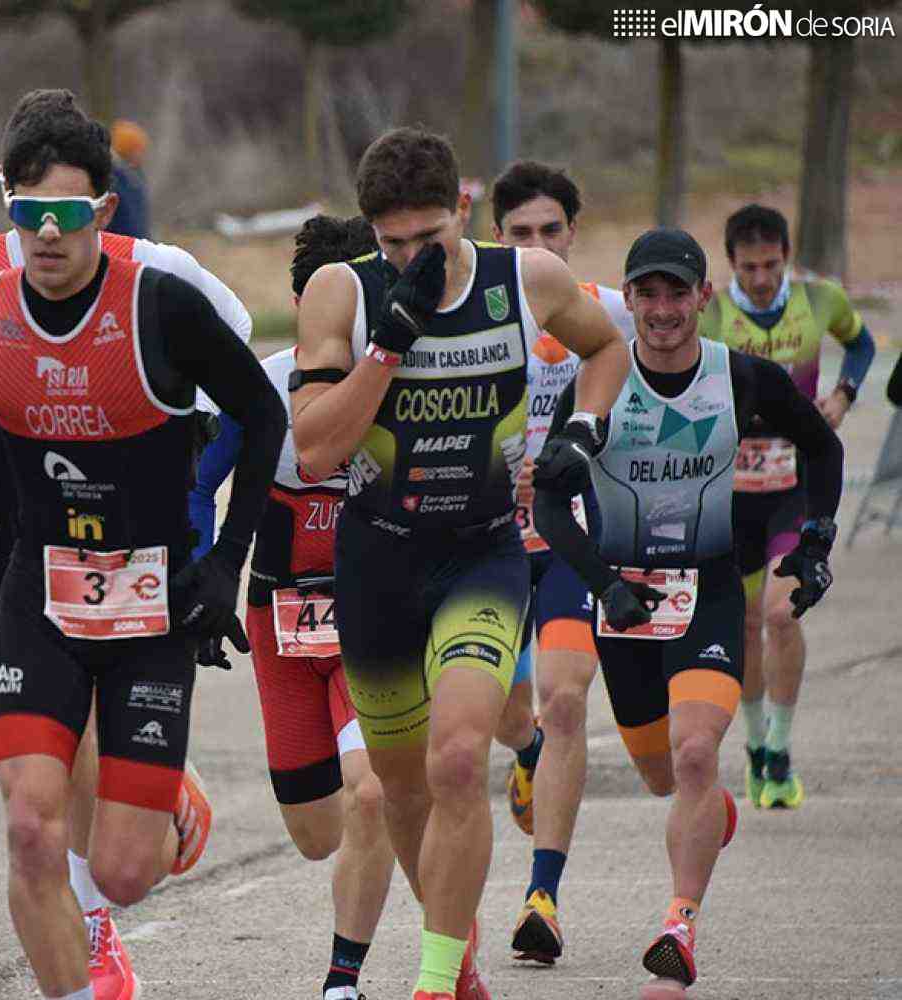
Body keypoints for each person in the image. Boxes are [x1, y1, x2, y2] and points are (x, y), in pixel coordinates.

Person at [0, 93, 284, 1000]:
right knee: (30, 826)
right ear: (8, 209)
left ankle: (160, 800)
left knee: (123, 873)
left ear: (104, 210)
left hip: (150, 599)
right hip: (35, 587)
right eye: (28, 216)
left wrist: (224, 559)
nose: (46, 235)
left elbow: (262, 413)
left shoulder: (166, 298)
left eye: (66, 216)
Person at [290, 125, 631, 1000]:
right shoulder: (341, 292)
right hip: (376, 561)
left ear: (466, 210)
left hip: (479, 554)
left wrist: (581, 433)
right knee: (399, 793)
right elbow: (317, 448)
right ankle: (462, 956)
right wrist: (386, 346)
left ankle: (434, 982)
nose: (410, 259)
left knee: (455, 761)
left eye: (428, 239)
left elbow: (606, 347)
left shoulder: (527, 279)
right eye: (391, 242)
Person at [532, 227, 844, 999]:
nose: (664, 310)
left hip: (706, 589)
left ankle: (678, 925)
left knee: (697, 755)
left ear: (703, 298)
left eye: (679, 293)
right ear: (627, 298)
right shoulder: (598, 382)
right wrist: (600, 583)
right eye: (649, 294)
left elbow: (822, 449)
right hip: (623, 599)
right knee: (661, 775)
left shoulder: (741, 377)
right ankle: (710, 815)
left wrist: (814, 542)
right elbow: (548, 498)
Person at [190, 214, 398, 1000]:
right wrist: (199, 584)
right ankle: (397, 858)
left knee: (373, 792)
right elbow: (196, 489)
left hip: (372, 626)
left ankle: (343, 979)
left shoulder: (400, 382)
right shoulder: (259, 391)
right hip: (276, 624)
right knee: (318, 836)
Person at [487, 159, 636, 965]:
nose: (536, 244)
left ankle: (541, 894)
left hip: (574, 545)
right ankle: (528, 756)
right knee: (514, 718)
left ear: (571, 235)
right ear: (496, 239)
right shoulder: (474, 318)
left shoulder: (608, 314)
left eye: (550, 230)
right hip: (491, 550)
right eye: (519, 234)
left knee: (569, 702)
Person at [698, 204, 875, 810]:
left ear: (787, 257)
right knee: (746, 624)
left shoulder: (819, 298)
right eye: (749, 268)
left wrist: (843, 396)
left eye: (772, 265)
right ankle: (753, 745)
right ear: (731, 266)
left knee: (782, 615)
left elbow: (862, 342)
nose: (762, 279)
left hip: (794, 486)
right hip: (731, 494)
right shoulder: (713, 313)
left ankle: (780, 747)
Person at [106, 120, 150, 240]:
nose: (141, 154)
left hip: (137, 246)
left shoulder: (136, 175)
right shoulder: (112, 178)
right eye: (137, 150)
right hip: (120, 248)